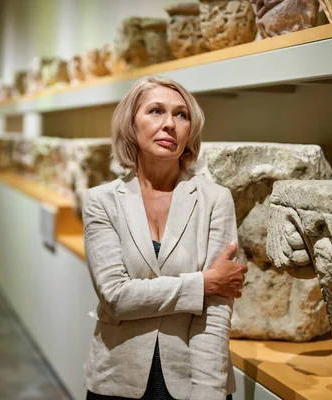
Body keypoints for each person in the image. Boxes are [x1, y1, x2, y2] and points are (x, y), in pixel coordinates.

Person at [82, 76, 247, 400]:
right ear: (131, 125)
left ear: (191, 131)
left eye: (181, 115)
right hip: (117, 378)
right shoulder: (102, 201)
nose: (169, 124)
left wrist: (208, 394)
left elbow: (215, 312)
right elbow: (116, 297)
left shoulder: (215, 199)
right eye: (155, 111)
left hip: (193, 380)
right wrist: (203, 283)